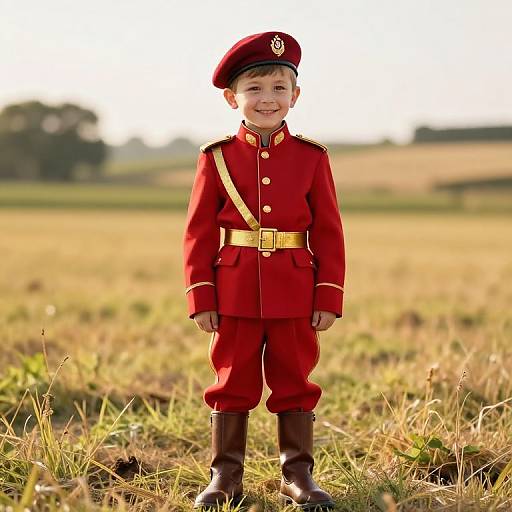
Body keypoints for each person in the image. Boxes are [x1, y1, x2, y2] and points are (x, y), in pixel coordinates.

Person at [182, 31, 346, 510]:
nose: (267, 99)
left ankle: (297, 476)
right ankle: (224, 477)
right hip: (232, 291)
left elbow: (330, 232)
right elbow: (197, 234)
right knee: (231, 382)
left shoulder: (312, 157)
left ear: (295, 96)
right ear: (233, 97)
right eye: (255, 88)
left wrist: (328, 296)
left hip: (296, 290)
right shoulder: (216, 158)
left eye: (279, 88)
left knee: (295, 379)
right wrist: (202, 296)